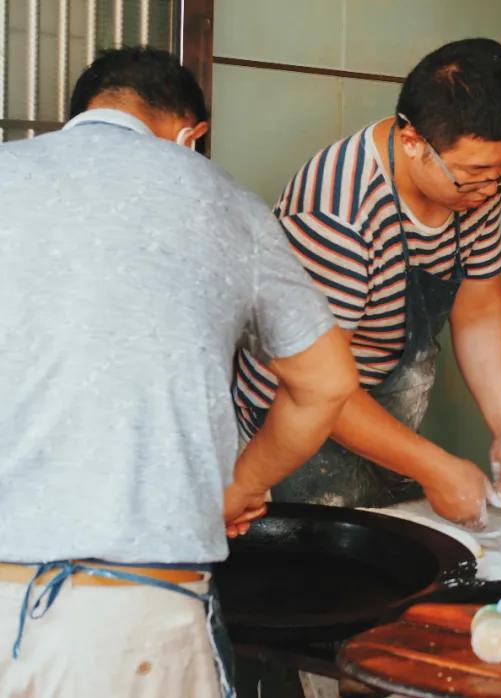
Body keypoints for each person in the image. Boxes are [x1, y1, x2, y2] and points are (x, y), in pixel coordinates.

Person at [0, 47, 358, 697]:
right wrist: (238, 484)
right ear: (190, 135)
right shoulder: (223, 202)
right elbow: (327, 383)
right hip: (125, 623)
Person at [233, 38, 501, 525]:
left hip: (377, 413)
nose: (490, 189)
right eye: (476, 173)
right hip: (293, 427)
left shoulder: (475, 188)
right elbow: (316, 384)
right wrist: (435, 468)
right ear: (412, 140)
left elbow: (479, 309)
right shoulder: (336, 208)